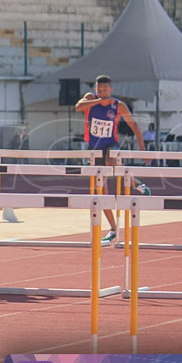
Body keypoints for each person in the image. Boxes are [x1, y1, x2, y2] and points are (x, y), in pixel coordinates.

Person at [75, 75, 149, 243]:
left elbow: (135, 126)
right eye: (99, 90)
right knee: (100, 192)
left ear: (111, 90)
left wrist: (143, 150)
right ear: (96, 89)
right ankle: (113, 228)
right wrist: (97, 101)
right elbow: (78, 107)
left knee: (112, 161)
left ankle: (135, 183)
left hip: (110, 144)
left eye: (105, 90)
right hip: (94, 149)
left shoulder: (118, 106)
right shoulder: (90, 98)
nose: (102, 93)